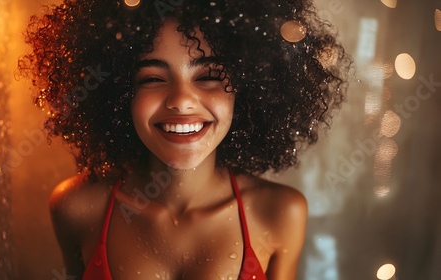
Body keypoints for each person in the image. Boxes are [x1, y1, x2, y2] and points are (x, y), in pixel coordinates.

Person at [19, 0, 350, 279]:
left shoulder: (280, 213)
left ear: (250, 89)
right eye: (152, 78)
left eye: (208, 76)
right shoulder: (76, 207)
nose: (181, 99)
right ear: (120, 95)